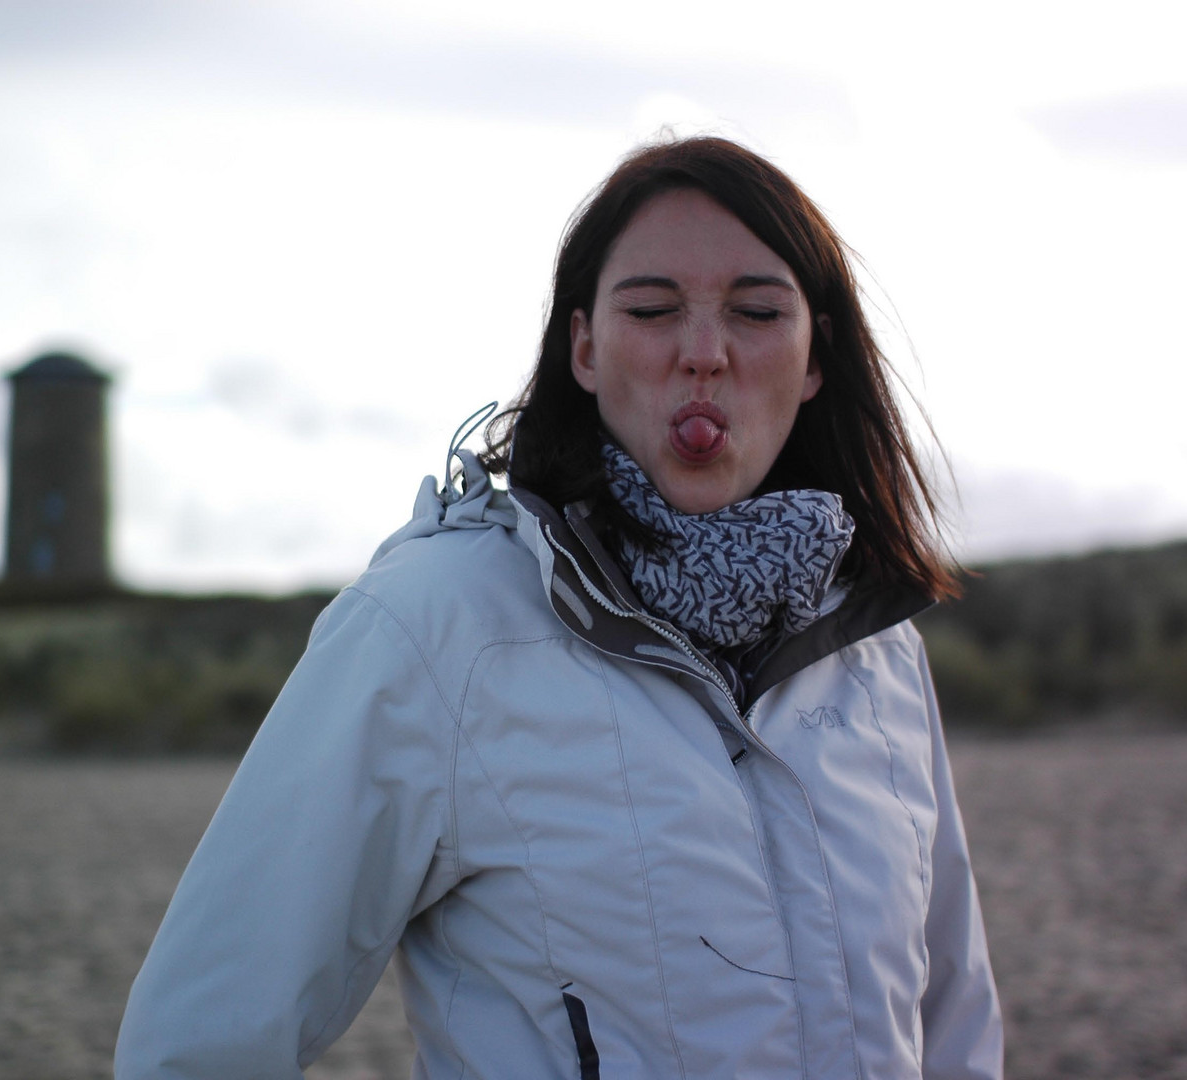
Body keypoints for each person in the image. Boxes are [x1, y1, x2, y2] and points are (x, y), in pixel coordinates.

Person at [116, 136, 1003, 1079]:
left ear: (816, 356)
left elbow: (953, 1027)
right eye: (653, 310)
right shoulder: (434, 627)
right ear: (583, 347)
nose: (704, 354)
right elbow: (201, 1039)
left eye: (755, 312)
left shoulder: (877, 650)